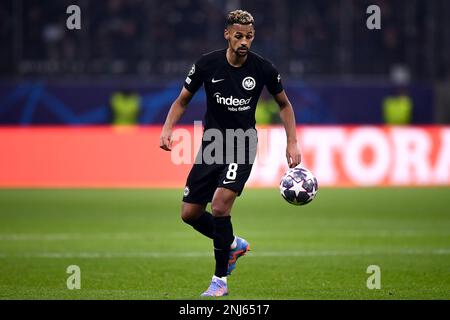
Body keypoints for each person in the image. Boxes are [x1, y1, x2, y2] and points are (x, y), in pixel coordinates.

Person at [159, 10, 301, 297]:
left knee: (221, 206)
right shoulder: (207, 64)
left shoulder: (263, 69)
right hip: (212, 144)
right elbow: (182, 100)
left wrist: (292, 142)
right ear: (227, 35)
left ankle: (219, 281)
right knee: (189, 213)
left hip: (243, 143)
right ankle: (233, 244)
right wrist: (167, 128)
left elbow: (284, 104)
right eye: (238, 36)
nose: (244, 42)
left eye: (249, 36)